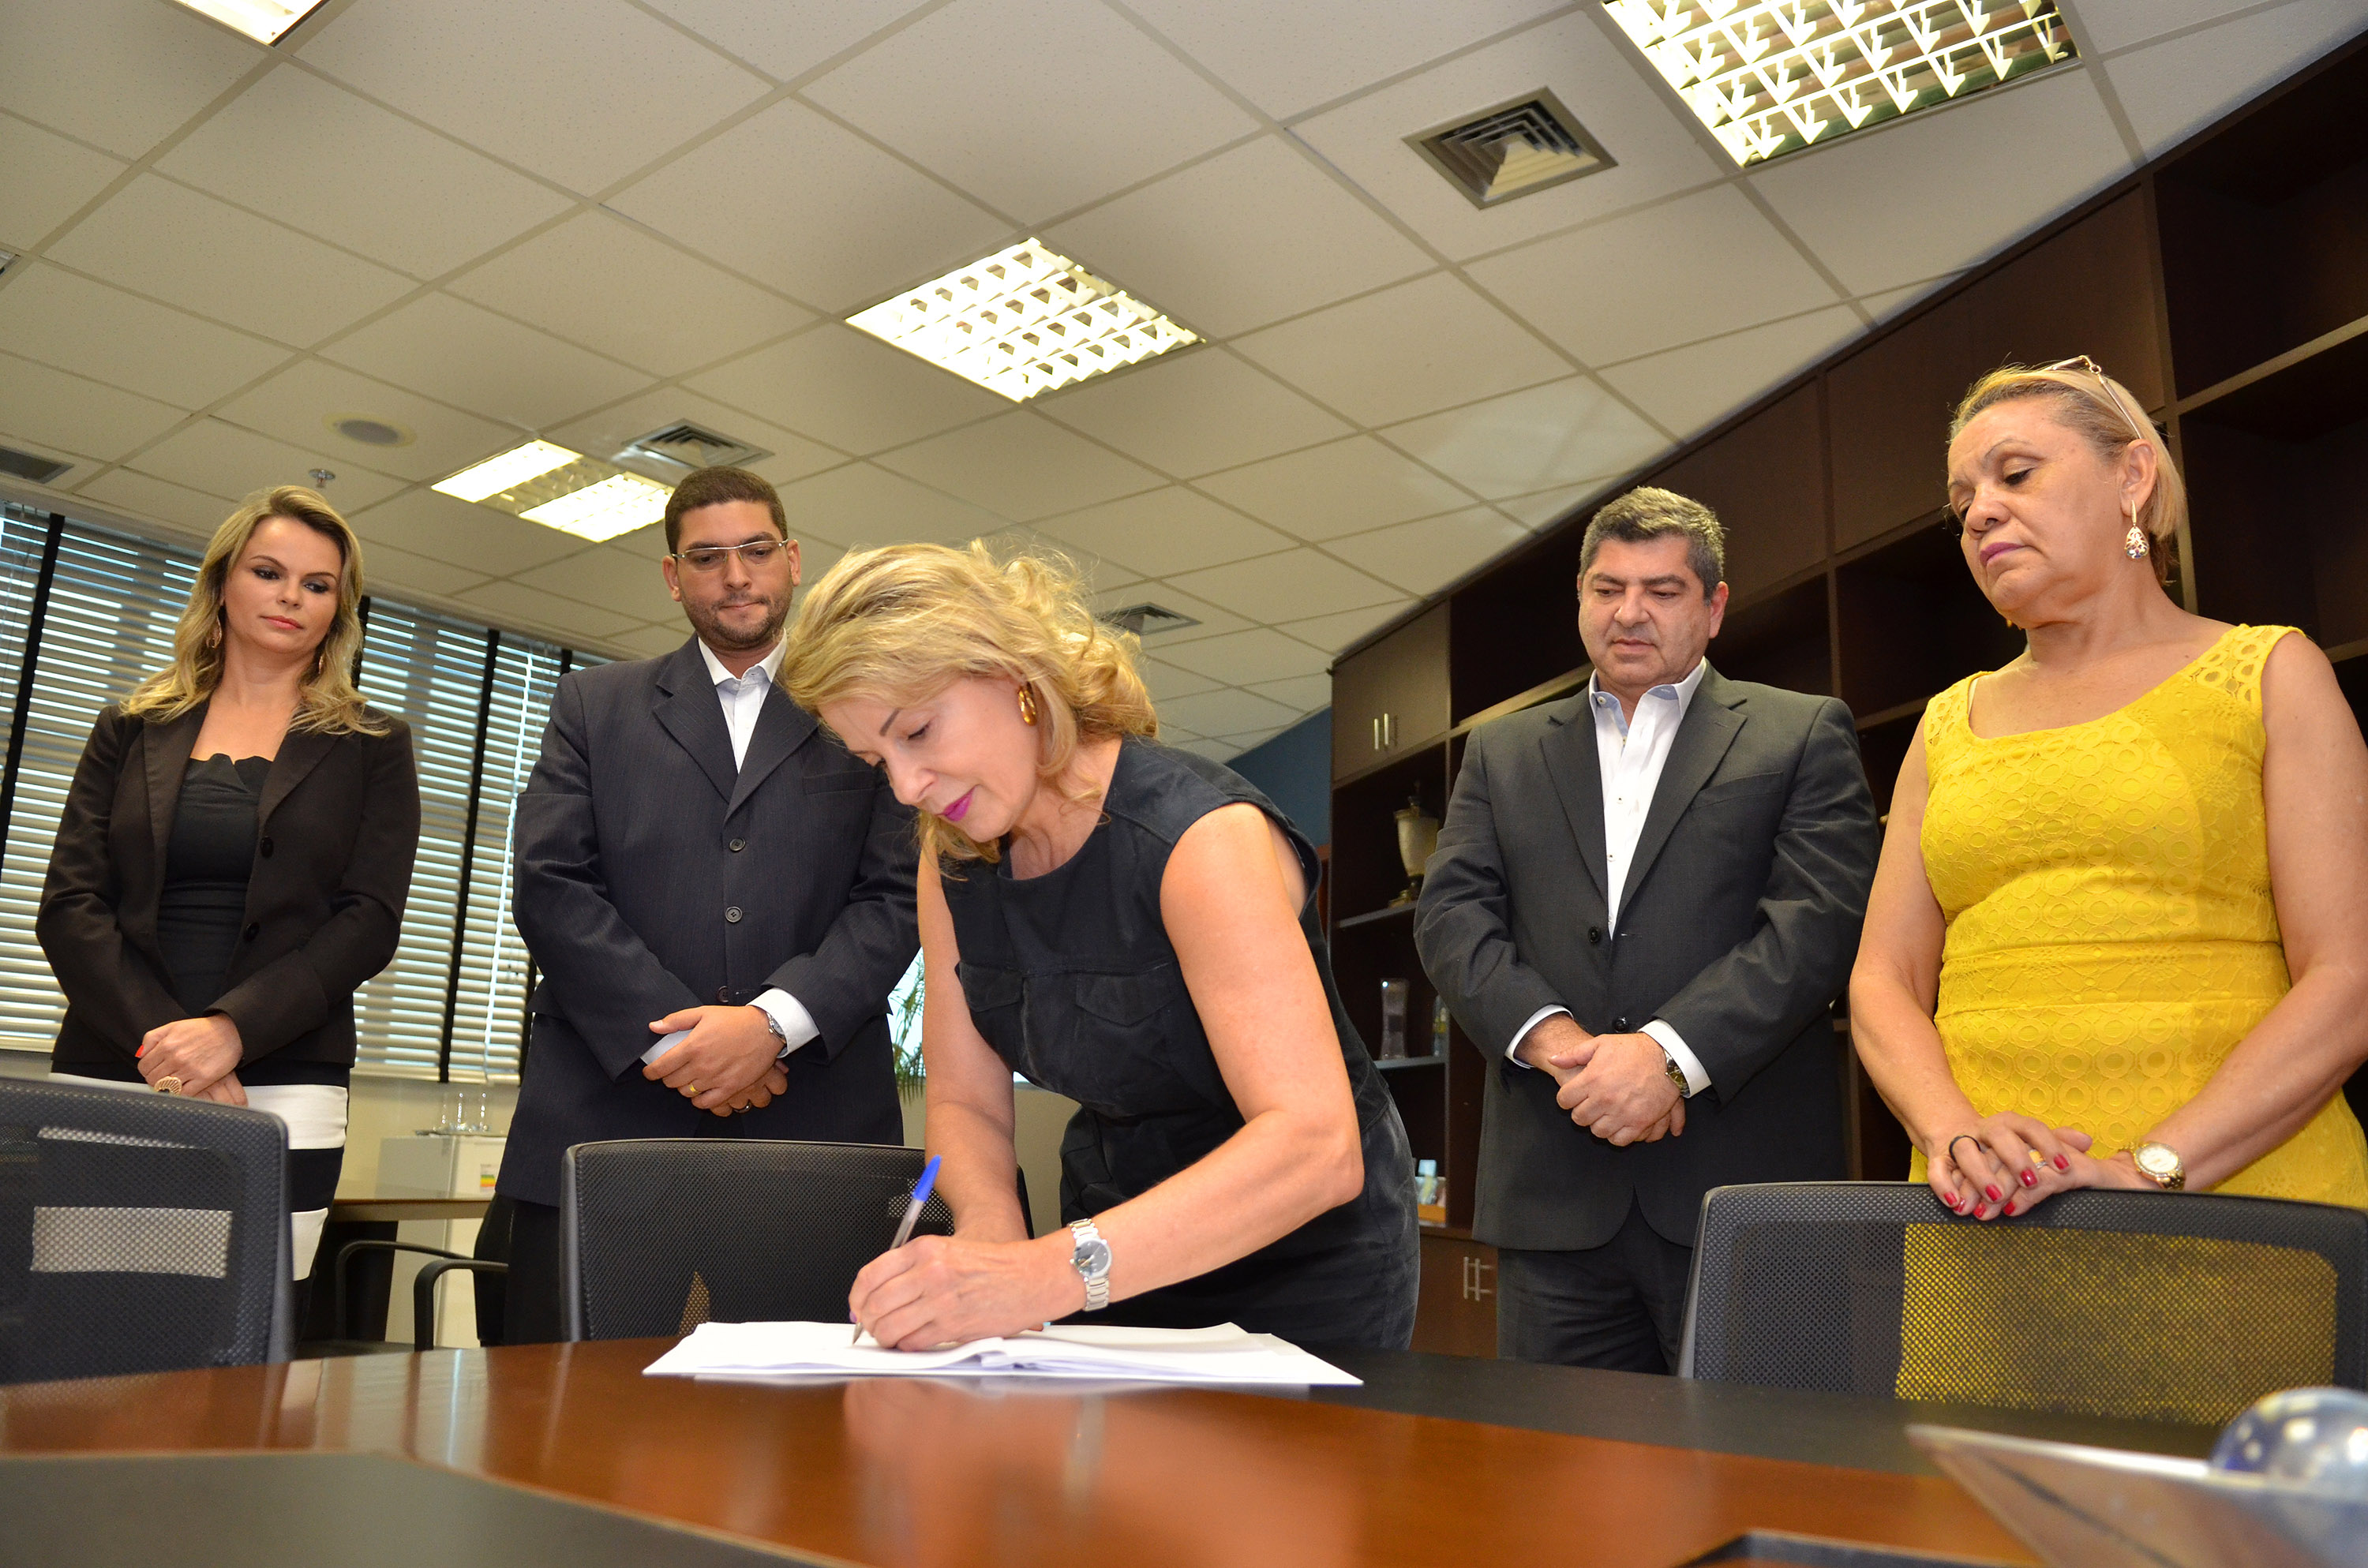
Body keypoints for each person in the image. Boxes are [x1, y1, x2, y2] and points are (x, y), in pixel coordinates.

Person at [782, 543, 1418, 1352]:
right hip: (1106, 1249)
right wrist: (991, 1238)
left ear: (1013, 675)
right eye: (879, 761)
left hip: (1299, 1268)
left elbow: (1316, 1146)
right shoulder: (954, 862)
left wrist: (1040, 1273)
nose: (907, 787)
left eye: (918, 730)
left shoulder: (1198, 838)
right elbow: (967, 1102)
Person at [1849, 357, 2368, 1218]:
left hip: (2237, 1210)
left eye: (2016, 474)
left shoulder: (2272, 672)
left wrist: (2145, 1167)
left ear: (2132, 476)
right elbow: (1883, 979)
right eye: (1962, 501)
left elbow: (2347, 980)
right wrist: (1952, 1134)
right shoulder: (1944, 722)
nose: (1980, 512)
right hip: (1985, 1217)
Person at [1415, 487, 1879, 1372]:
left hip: (1746, 1200)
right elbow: (1450, 916)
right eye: (1608, 588)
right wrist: (1560, 1047)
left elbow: (1817, 923)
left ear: (1713, 608)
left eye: (1663, 591)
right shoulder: (1500, 752)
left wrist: (1665, 1057)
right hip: (1553, 1202)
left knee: (1759, 1447)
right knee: (1560, 1458)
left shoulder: (1799, 732)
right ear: (1581, 599)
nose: (1630, 612)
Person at [500, 466, 920, 1343]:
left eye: (756, 551)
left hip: (812, 1133)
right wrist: (689, 1046)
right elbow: (551, 881)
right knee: (564, 1402)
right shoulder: (594, 707)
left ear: (793, 560)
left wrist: (770, 1026)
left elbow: (896, 896)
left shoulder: (867, 707)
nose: (736, 575)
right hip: (607, 1121)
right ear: (673, 575)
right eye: (707, 557)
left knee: (804, 1414)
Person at [39, 485, 421, 1292]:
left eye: (317, 584)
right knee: (87, 1320)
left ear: (338, 611)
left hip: (285, 1076)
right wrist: (173, 1047)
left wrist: (232, 1032)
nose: (291, 596)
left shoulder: (375, 745)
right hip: (116, 1059)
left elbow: (368, 920)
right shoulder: (128, 727)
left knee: (250, 1328)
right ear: (221, 584)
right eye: (268, 572)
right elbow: (70, 905)